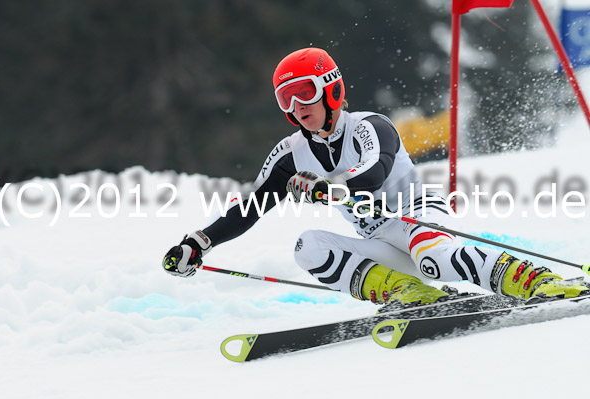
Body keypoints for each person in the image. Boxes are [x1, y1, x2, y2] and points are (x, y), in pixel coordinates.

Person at [162, 47, 588, 306]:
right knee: (307, 247)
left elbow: (373, 172)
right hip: (380, 237)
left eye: (305, 92)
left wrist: (330, 188)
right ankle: (411, 296)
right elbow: (250, 208)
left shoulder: (370, 125)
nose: (297, 106)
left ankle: (535, 280)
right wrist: (197, 243)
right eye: (285, 98)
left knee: (435, 259)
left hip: (419, 217)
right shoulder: (290, 154)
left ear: (331, 89)